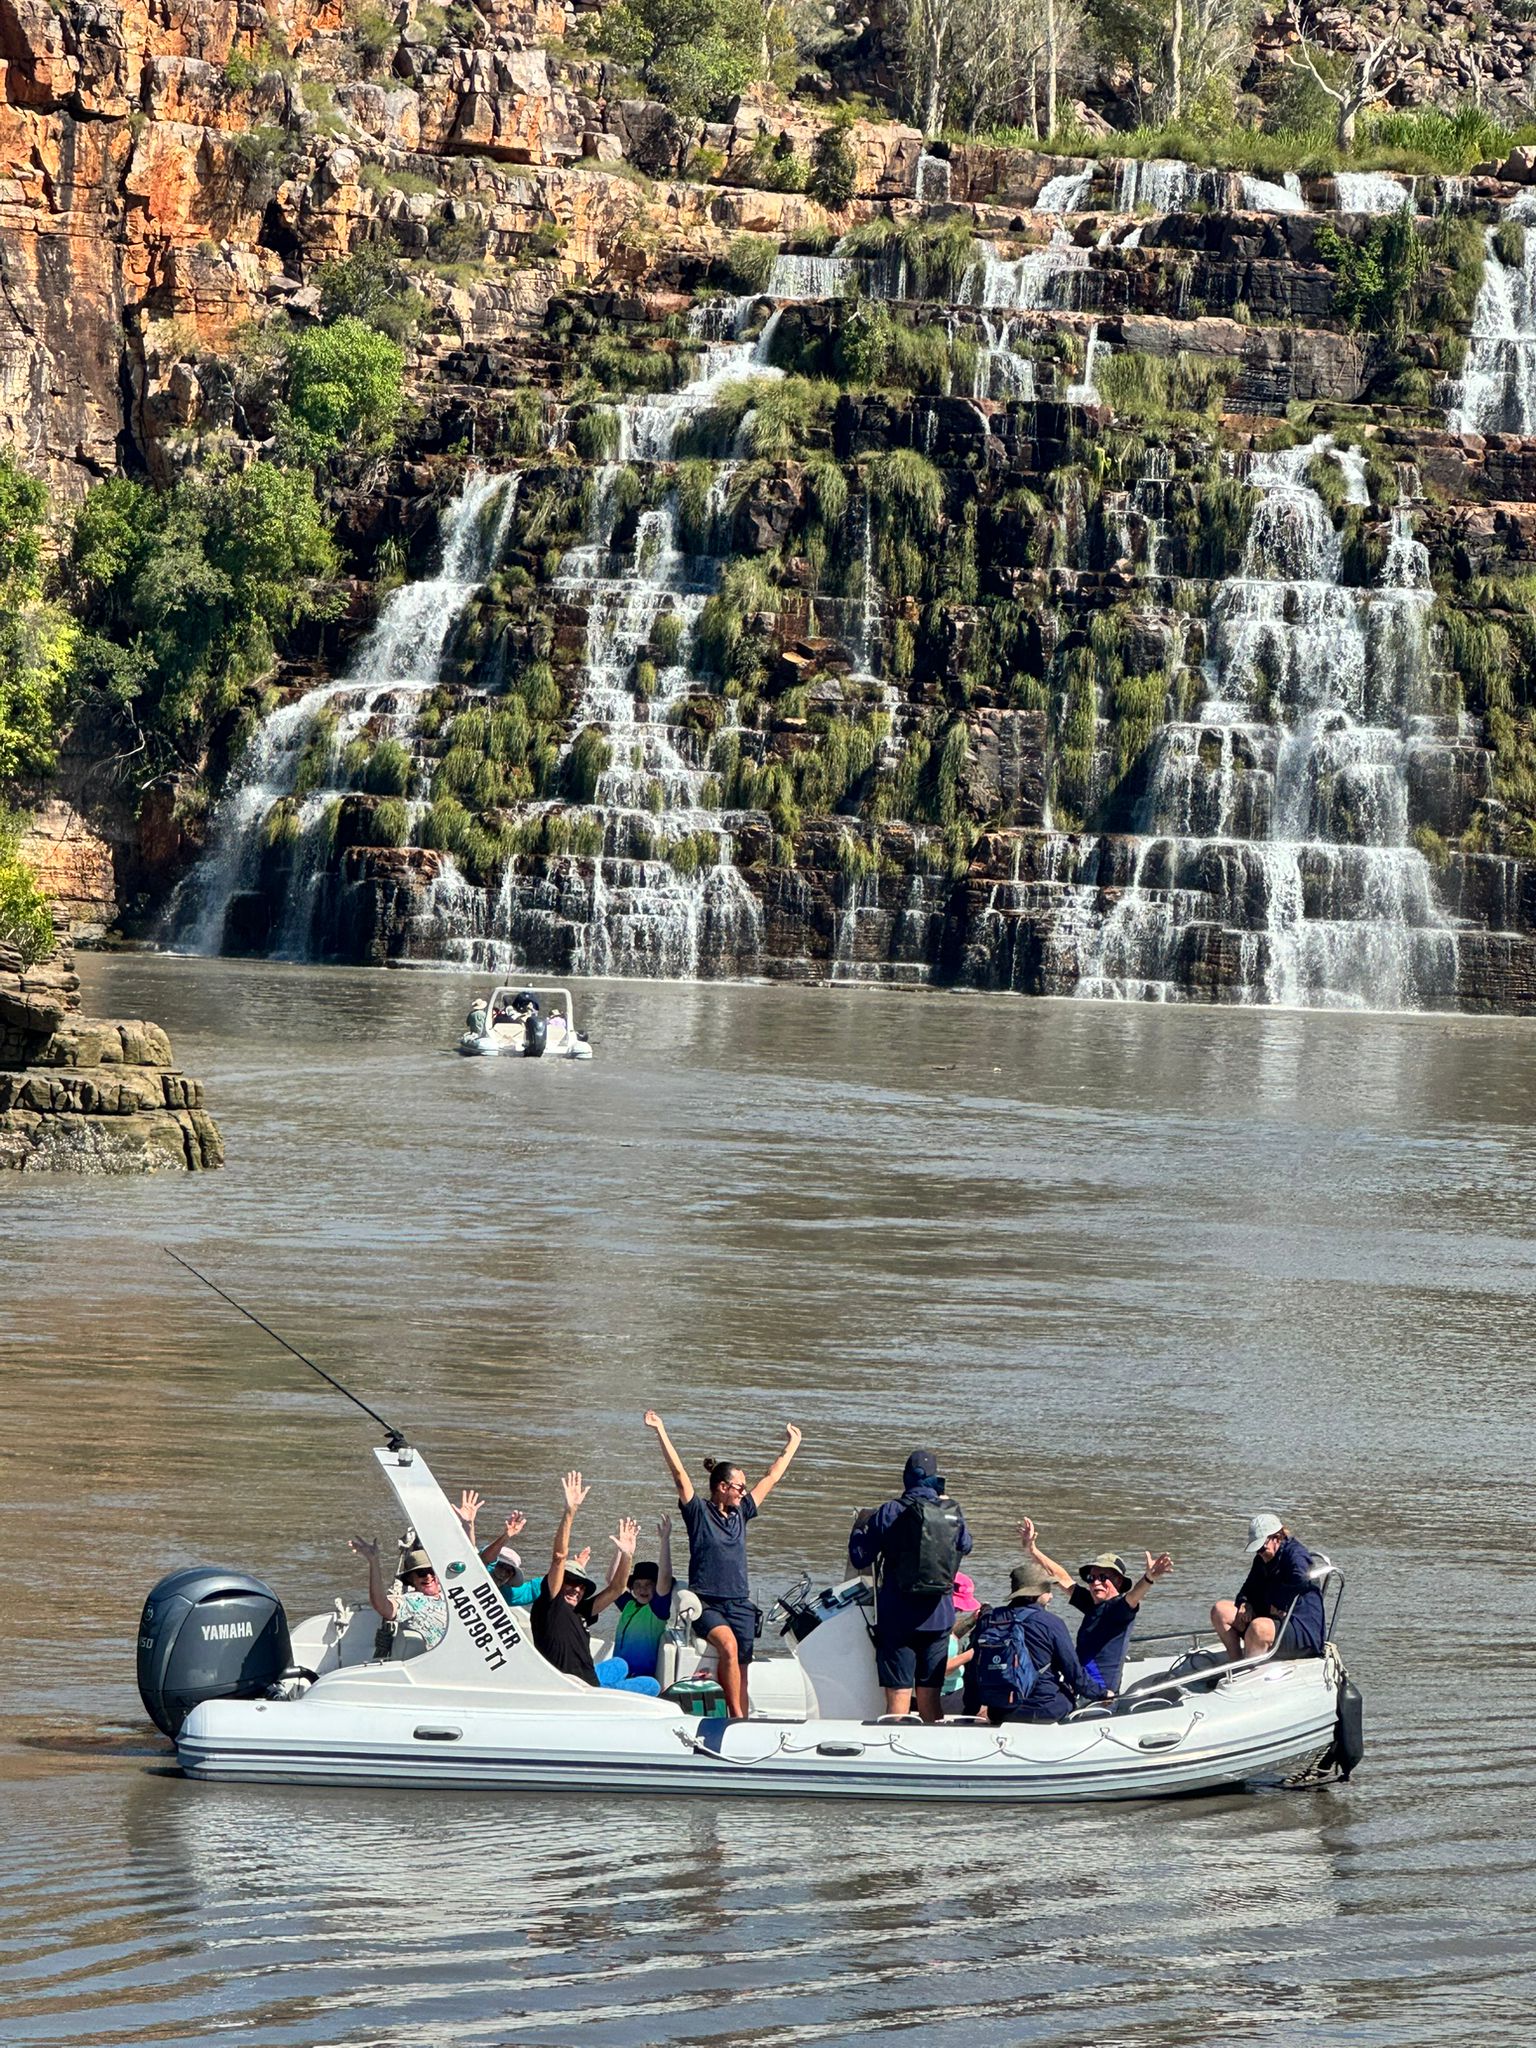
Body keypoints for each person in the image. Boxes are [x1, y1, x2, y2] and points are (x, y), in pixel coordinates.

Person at [643, 1409, 803, 1719]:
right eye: (740, 1487)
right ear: (722, 1487)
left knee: (742, 1667)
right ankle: (736, 1716)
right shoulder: (699, 1513)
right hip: (708, 1603)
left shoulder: (742, 1512)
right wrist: (660, 1429)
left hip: (740, 1604)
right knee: (728, 1647)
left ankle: (738, 1721)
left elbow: (772, 1476)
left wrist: (793, 1445)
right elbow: (679, 1475)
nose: (744, 1492)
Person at [848, 1450, 973, 1724]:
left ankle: (895, 1756)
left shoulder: (889, 1511)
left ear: (905, 1478)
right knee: (929, 1699)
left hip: (897, 1618)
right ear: (935, 1479)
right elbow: (966, 1545)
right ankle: (933, 1758)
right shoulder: (951, 1512)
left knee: (898, 1700)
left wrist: (860, 1527)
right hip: (938, 1617)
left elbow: (860, 1557)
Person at [1017, 1516, 1174, 1694]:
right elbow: (1062, 1578)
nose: (1095, 1583)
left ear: (1119, 1582)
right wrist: (1032, 1549)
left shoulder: (1118, 1610)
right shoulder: (1092, 1603)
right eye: (1091, 1578)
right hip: (1079, 1686)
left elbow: (1133, 1597)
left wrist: (1148, 1579)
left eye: (1103, 1577)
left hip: (1100, 1696)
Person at [530, 1471, 646, 1687]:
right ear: (557, 1582)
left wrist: (627, 1555)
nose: (576, 1589)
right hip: (577, 1687)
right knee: (651, 1685)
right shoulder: (550, 1605)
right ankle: (608, 1694)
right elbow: (558, 1558)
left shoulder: (581, 1610)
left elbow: (617, 1589)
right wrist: (570, 1512)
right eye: (570, 1582)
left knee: (620, 1664)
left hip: (589, 1675)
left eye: (581, 1586)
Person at [972, 1560, 1111, 1724]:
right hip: (1044, 1709)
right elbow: (1073, 1672)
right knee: (1068, 1696)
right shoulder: (1050, 1622)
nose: (1051, 1595)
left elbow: (974, 1669)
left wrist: (971, 1710)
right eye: (1047, 1590)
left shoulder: (989, 1619)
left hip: (1000, 1711)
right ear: (1034, 1594)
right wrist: (1101, 1694)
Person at [1212, 1512, 1326, 1662]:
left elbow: (1301, 1581)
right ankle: (1236, 1662)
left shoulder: (1296, 1555)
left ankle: (1248, 1671)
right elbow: (1247, 1588)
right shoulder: (1262, 1559)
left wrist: (1276, 1603)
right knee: (1219, 1610)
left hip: (1300, 1627)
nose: (1260, 1554)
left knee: (1258, 1628)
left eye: (1262, 1549)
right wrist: (1245, 1603)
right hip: (1272, 1618)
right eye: (1256, 1550)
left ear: (1276, 1538)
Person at [350, 1535, 447, 1655]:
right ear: (411, 1579)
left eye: (432, 1571)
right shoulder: (413, 1601)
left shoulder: (453, 1594)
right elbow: (383, 1607)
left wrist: (469, 1525)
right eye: (421, 1573)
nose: (428, 1576)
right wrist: (373, 1562)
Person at [609, 1515, 676, 1684]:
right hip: (618, 1674)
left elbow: (665, 1578)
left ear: (656, 1587)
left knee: (651, 1686)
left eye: (648, 1585)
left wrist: (665, 1541)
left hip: (640, 1678)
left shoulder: (657, 1610)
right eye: (637, 1584)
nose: (642, 1589)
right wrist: (622, 1550)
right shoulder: (628, 1605)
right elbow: (612, 1581)